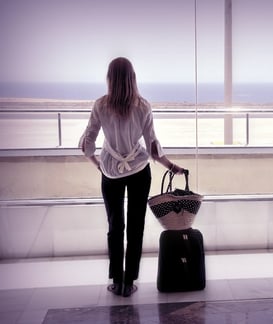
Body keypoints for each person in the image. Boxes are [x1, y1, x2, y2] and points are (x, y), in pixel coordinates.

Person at [79, 57, 184, 297]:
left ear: (109, 78)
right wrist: (171, 165)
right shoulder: (143, 106)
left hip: (110, 171)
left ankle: (116, 280)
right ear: (132, 78)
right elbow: (152, 145)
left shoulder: (100, 105)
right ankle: (130, 281)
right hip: (139, 170)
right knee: (136, 226)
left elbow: (88, 143)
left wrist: (97, 163)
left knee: (115, 226)